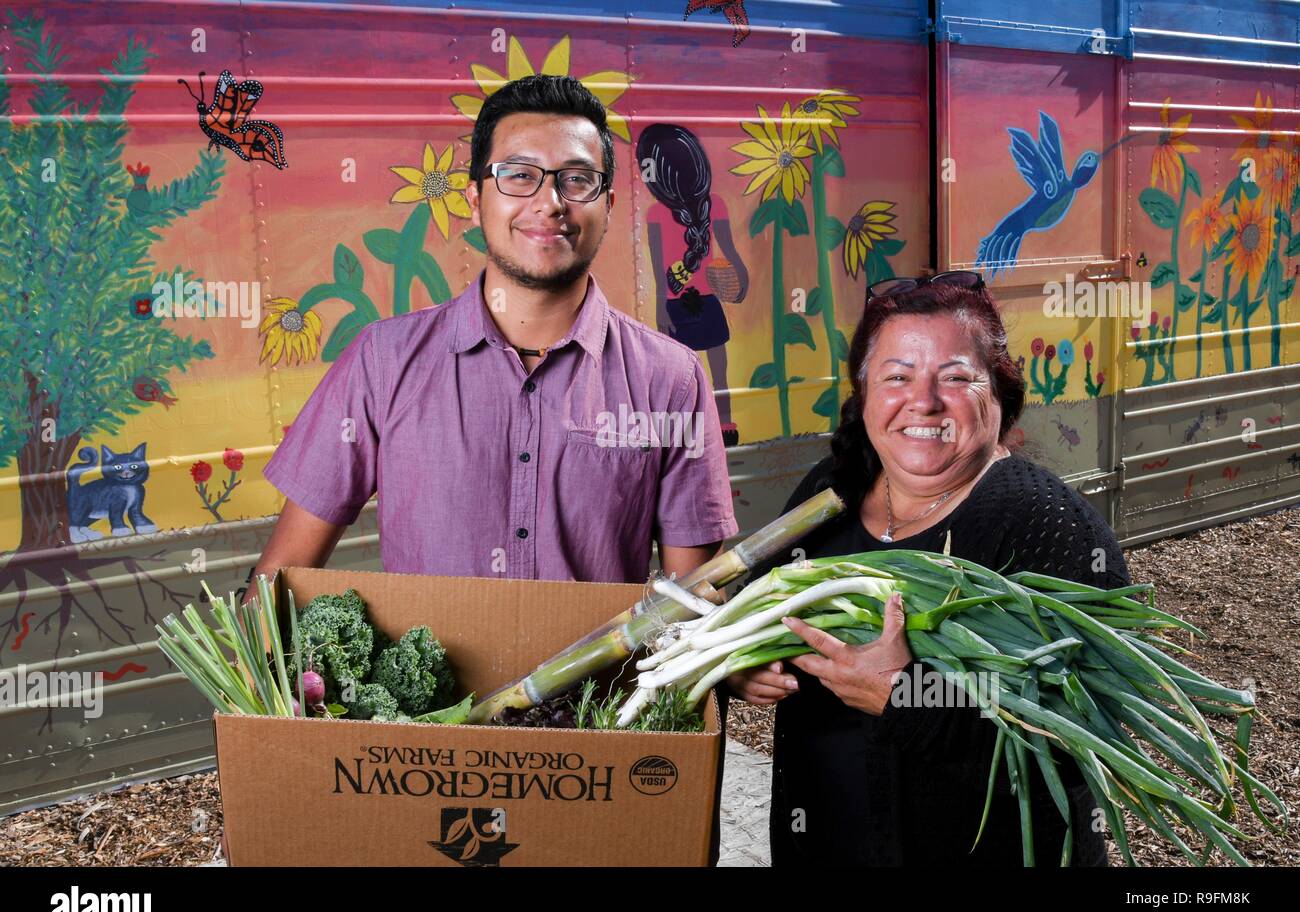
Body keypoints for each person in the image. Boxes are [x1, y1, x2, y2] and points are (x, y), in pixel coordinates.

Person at [250, 74, 738, 593]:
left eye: (576, 180)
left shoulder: (671, 378)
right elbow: (277, 581)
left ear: (609, 205)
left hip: (607, 679)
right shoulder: (383, 360)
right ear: (474, 196)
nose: (550, 202)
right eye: (519, 175)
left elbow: (695, 608)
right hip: (437, 679)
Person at [722, 271, 1129, 866]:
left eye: (956, 377)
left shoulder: (1050, 526)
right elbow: (755, 608)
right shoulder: (830, 494)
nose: (924, 401)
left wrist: (909, 695)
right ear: (864, 395)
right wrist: (744, 664)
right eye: (897, 377)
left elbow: (1091, 724)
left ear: (1000, 392)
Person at [637, 123, 749, 446]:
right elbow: (663, 266)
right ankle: (707, 426)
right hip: (692, 302)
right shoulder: (663, 213)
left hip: (691, 301)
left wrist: (741, 277)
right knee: (703, 371)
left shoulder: (664, 212)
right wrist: (661, 304)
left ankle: (722, 424)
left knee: (703, 372)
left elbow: (726, 251)